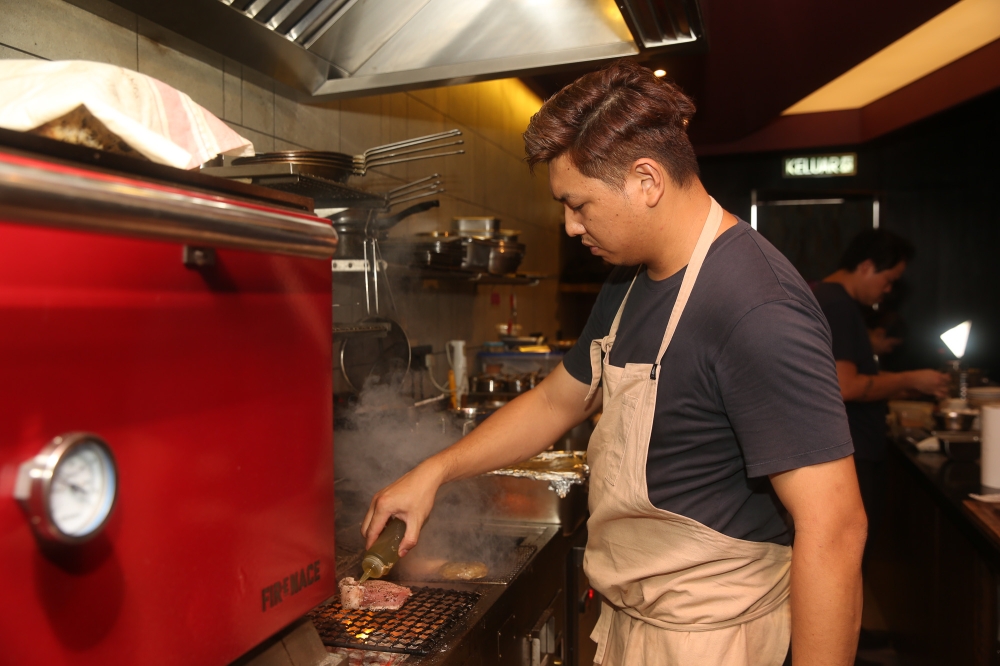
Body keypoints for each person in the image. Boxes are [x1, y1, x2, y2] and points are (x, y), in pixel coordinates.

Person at [362, 60, 868, 666]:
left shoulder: (756, 307)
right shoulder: (630, 280)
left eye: (578, 204)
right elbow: (556, 401)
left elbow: (835, 531)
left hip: (712, 640)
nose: (570, 226)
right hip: (635, 625)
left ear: (645, 180)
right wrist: (435, 471)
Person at [813, 232, 949, 549]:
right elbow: (845, 385)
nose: (887, 291)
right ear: (867, 266)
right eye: (889, 280)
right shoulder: (838, 306)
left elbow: (859, 375)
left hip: (849, 448)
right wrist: (910, 380)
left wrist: (913, 384)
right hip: (853, 450)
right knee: (851, 553)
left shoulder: (829, 298)